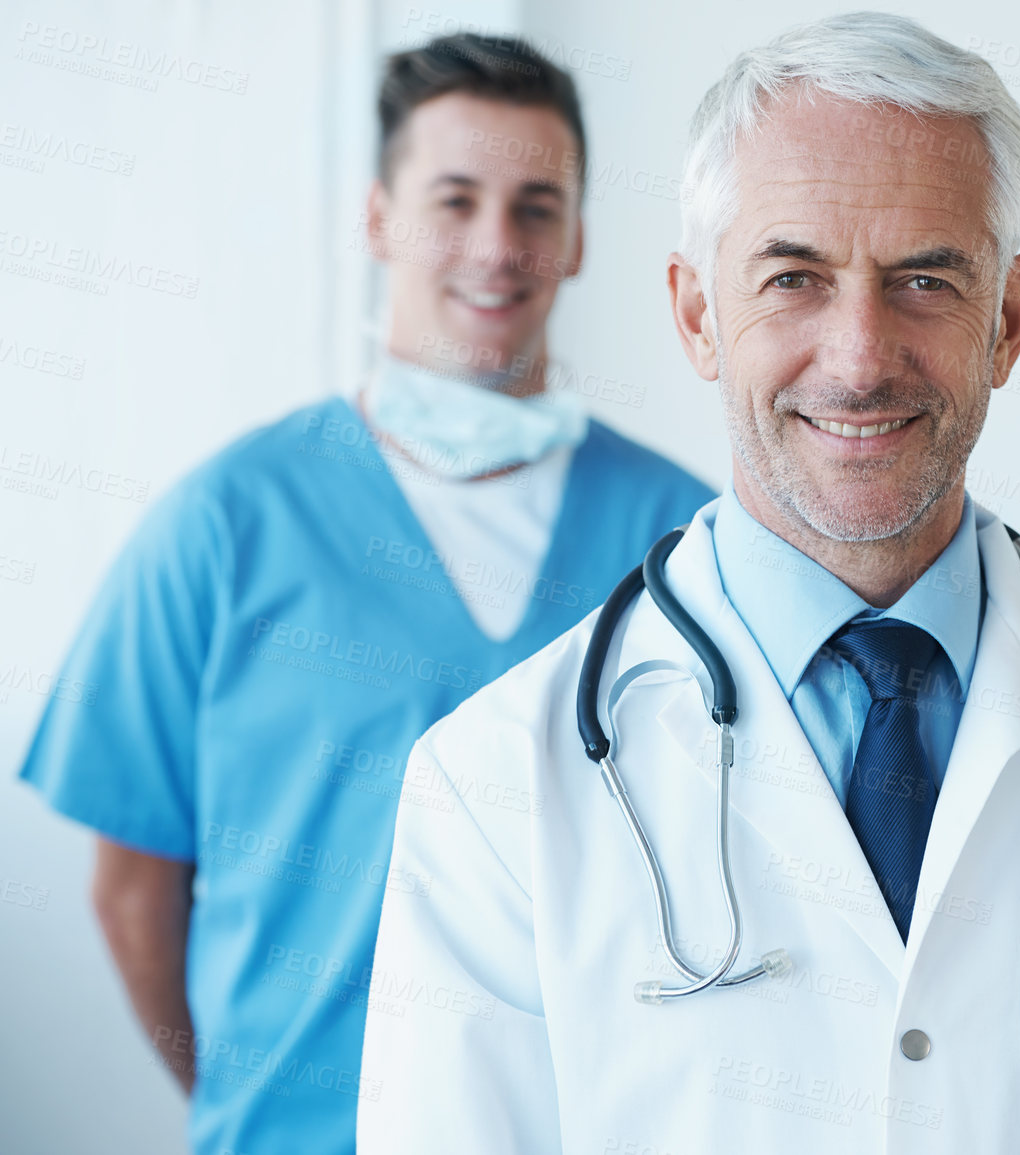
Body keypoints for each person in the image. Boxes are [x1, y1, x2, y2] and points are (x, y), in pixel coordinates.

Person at [357, 15, 1020, 1153]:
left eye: (926, 280)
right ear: (698, 315)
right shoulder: (494, 785)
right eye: (793, 278)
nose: (858, 356)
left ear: (1010, 321)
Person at [16, 33, 713, 1155]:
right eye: (455, 199)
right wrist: (266, 1106)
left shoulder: (681, 543)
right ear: (381, 218)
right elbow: (130, 888)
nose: (497, 246)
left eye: (538, 206)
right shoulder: (226, 526)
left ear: (580, 238)